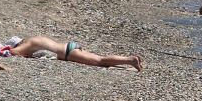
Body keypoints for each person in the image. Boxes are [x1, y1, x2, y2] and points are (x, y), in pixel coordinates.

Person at [9, 36, 142, 71]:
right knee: (99, 59)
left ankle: (130, 60)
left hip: (68, 53)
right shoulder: (34, 39)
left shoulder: (28, 43)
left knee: (101, 61)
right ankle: (128, 60)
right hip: (68, 47)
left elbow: (14, 52)